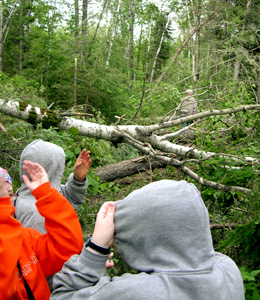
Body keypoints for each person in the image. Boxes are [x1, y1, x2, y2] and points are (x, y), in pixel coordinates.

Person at [51, 180, 245, 300]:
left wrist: (95, 250)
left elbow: (63, 296)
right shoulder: (227, 270)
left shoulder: (139, 293)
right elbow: (190, 244)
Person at [0, 160, 83, 300]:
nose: (9, 205)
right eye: (3, 197)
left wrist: (46, 194)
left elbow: (67, 249)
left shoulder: (24, 238)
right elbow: (6, 291)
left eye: (10, 195)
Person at [15, 139, 92, 234]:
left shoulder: (29, 194)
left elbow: (70, 199)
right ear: (53, 168)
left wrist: (78, 180)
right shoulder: (38, 213)